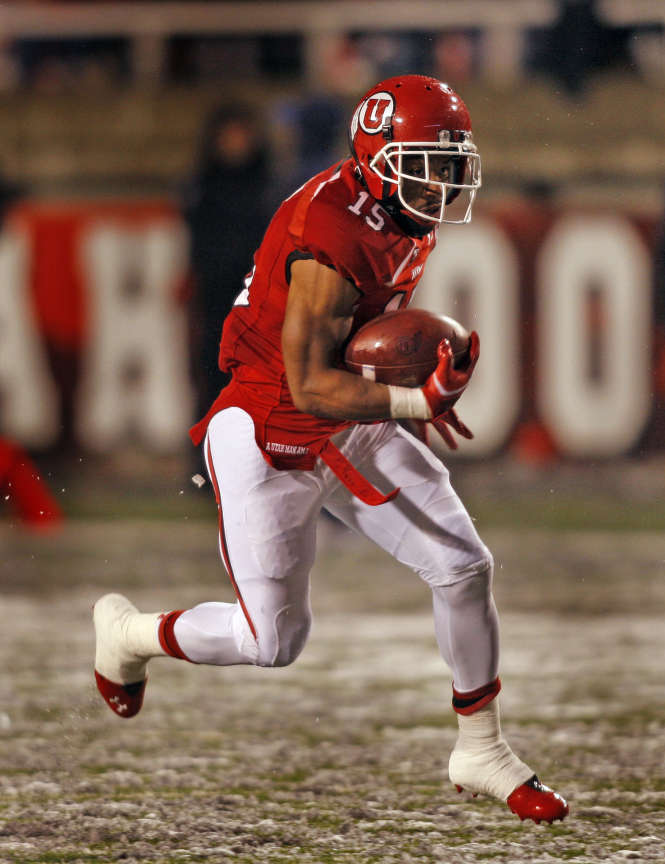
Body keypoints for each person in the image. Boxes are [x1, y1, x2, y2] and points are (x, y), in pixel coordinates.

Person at [94, 75, 568, 824]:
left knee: (463, 565)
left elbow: (351, 356)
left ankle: (481, 749)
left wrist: (399, 388)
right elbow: (308, 384)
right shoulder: (331, 229)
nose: (444, 179)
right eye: (427, 161)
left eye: (451, 161)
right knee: (273, 642)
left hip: (346, 416)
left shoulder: (400, 211)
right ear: (379, 157)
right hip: (268, 424)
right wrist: (412, 400)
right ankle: (129, 634)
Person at [182, 102, 271, 421]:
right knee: (215, 386)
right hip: (216, 306)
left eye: (242, 134)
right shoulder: (202, 189)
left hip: (262, 308)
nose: (236, 143)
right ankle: (206, 464)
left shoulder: (269, 188)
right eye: (229, 135)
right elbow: (198, 251)